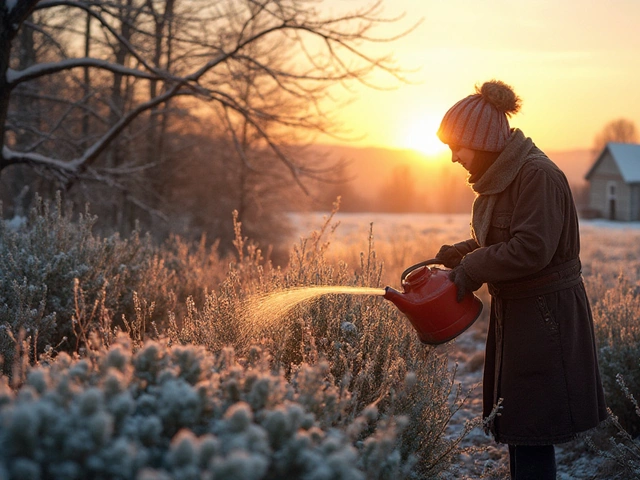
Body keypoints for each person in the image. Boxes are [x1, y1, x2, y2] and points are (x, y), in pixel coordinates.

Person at [433, 80, 608, 480]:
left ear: (482, 140)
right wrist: (461, 252)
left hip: (546, 318)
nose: (454, 158)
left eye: (456, 146)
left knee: (532, 429)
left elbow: (531, 247)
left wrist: (474, 267)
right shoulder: (501, 174)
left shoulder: (537, 175)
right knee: (521, 425)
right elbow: (501, 237)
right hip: (520, 315)